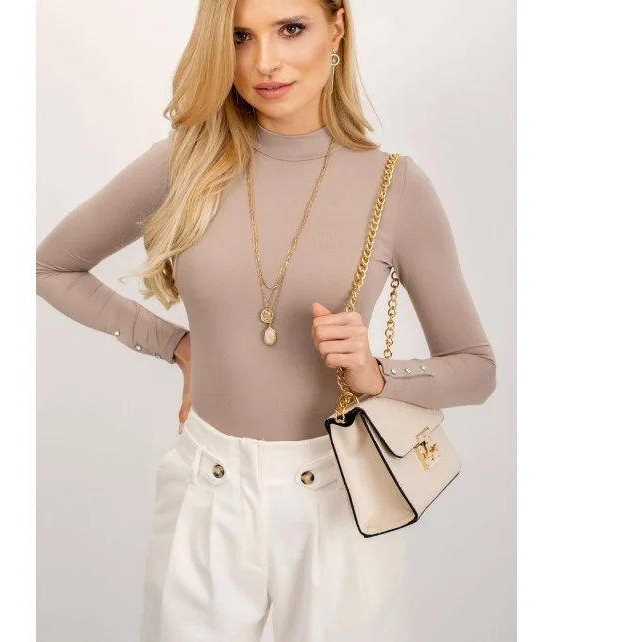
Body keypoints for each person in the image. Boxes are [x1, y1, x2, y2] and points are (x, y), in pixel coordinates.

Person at [36, 0, 497, 640]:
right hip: (207, 489)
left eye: (291, 29)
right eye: (240, 37)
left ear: (337, 28)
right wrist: (177, 346)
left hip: (340, 499)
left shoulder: (395, 186)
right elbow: (51, 267)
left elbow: (477, 369)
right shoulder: (186, 162)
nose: (264, 62)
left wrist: (376, 375)